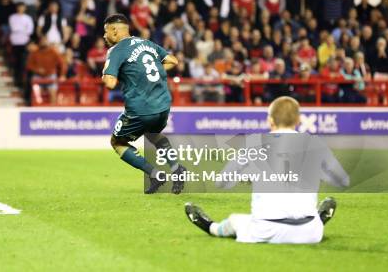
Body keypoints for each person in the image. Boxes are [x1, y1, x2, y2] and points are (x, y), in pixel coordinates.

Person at [184, 96, 348, 244]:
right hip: (310, 234)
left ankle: (211, 227)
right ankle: (318, 218)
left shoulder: (254, 143)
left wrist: (248, 177)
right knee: (309, 220)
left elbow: (221, 182)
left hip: (265, 230)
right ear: (298, 120)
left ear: (270, 121)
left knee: (235, 221)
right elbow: (343, 181)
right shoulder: (316, 144)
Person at [101, 13, 187, 194]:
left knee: (118, 142)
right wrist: (154, 71)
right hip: (163, 105)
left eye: (106, 31)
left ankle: (155, 174)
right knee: (153, 134)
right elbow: (173, 61)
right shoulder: (146, 43)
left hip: (141, 108)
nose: (104, 36)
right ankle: (177, 169)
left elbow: (110, 83)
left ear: (114, 30)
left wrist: (105, 73)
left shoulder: (116, 50)